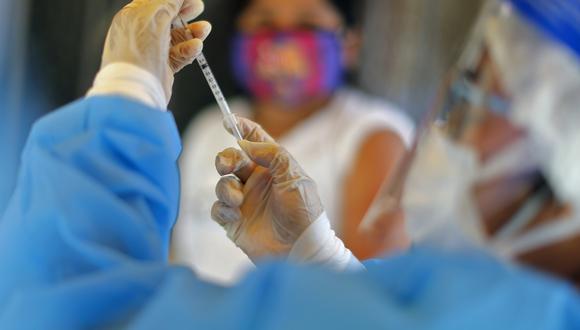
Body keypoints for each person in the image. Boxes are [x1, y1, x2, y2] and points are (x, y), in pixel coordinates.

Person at [1, 0, 579, 329]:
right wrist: (316, 258)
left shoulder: (371, 133)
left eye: (477, 88)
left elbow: (66, 308)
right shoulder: (527, 313)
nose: (442, 115)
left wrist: (125, 86)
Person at [171, 0, 414, 284]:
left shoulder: (375, 136)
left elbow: (373, 299)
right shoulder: (208, 128)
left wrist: (307, 252)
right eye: (264, 24)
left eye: (307, 25)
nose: (282, 40)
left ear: (351, 44)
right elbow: (180, 259)